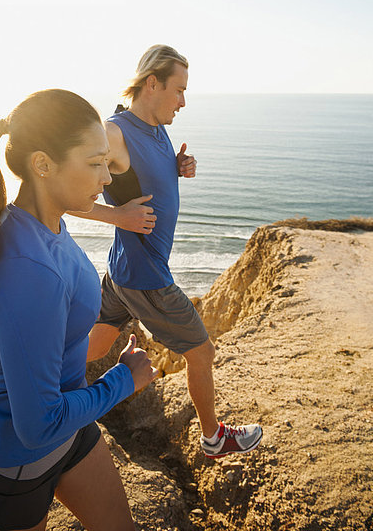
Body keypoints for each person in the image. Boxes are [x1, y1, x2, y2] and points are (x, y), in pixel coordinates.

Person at [0, 89, 158, 531]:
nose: (107, 178)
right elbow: (37, 425)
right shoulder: (26, 271)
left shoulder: (45, 222)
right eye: (95, 163)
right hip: (17, 466)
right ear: (43, 165)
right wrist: (124, 379)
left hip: (72, 430)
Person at [72, 45, 263, 458]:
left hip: (121, 272)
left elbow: (140, 176)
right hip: (147, 279)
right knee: (202, 351)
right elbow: (62, 196)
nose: (183, 101)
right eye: (179, 90)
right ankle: (214, 438)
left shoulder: (157, 127)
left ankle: (39, 383)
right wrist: (117, 216)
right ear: (152, 83)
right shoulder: (113, 134)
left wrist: (175, 168)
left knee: (97, 346)